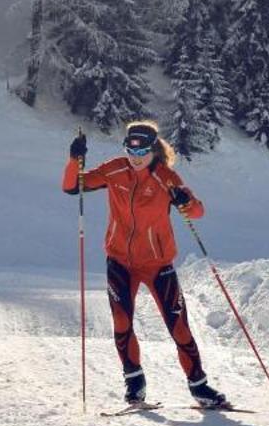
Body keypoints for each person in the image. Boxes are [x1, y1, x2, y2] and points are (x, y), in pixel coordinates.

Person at [62, 120, 230, 410]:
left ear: (153, 151)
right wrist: (74, 159)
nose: (135, 158)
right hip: (119, 262)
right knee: (122, 323)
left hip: (157, 263)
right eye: (130, 151)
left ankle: (200, 387)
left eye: (141, 153)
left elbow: (198, 211)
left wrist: (185, 201)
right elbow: (72, 186)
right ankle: (135, 385)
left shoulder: (166, 177)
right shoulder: (114, 170)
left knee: (178, 326)